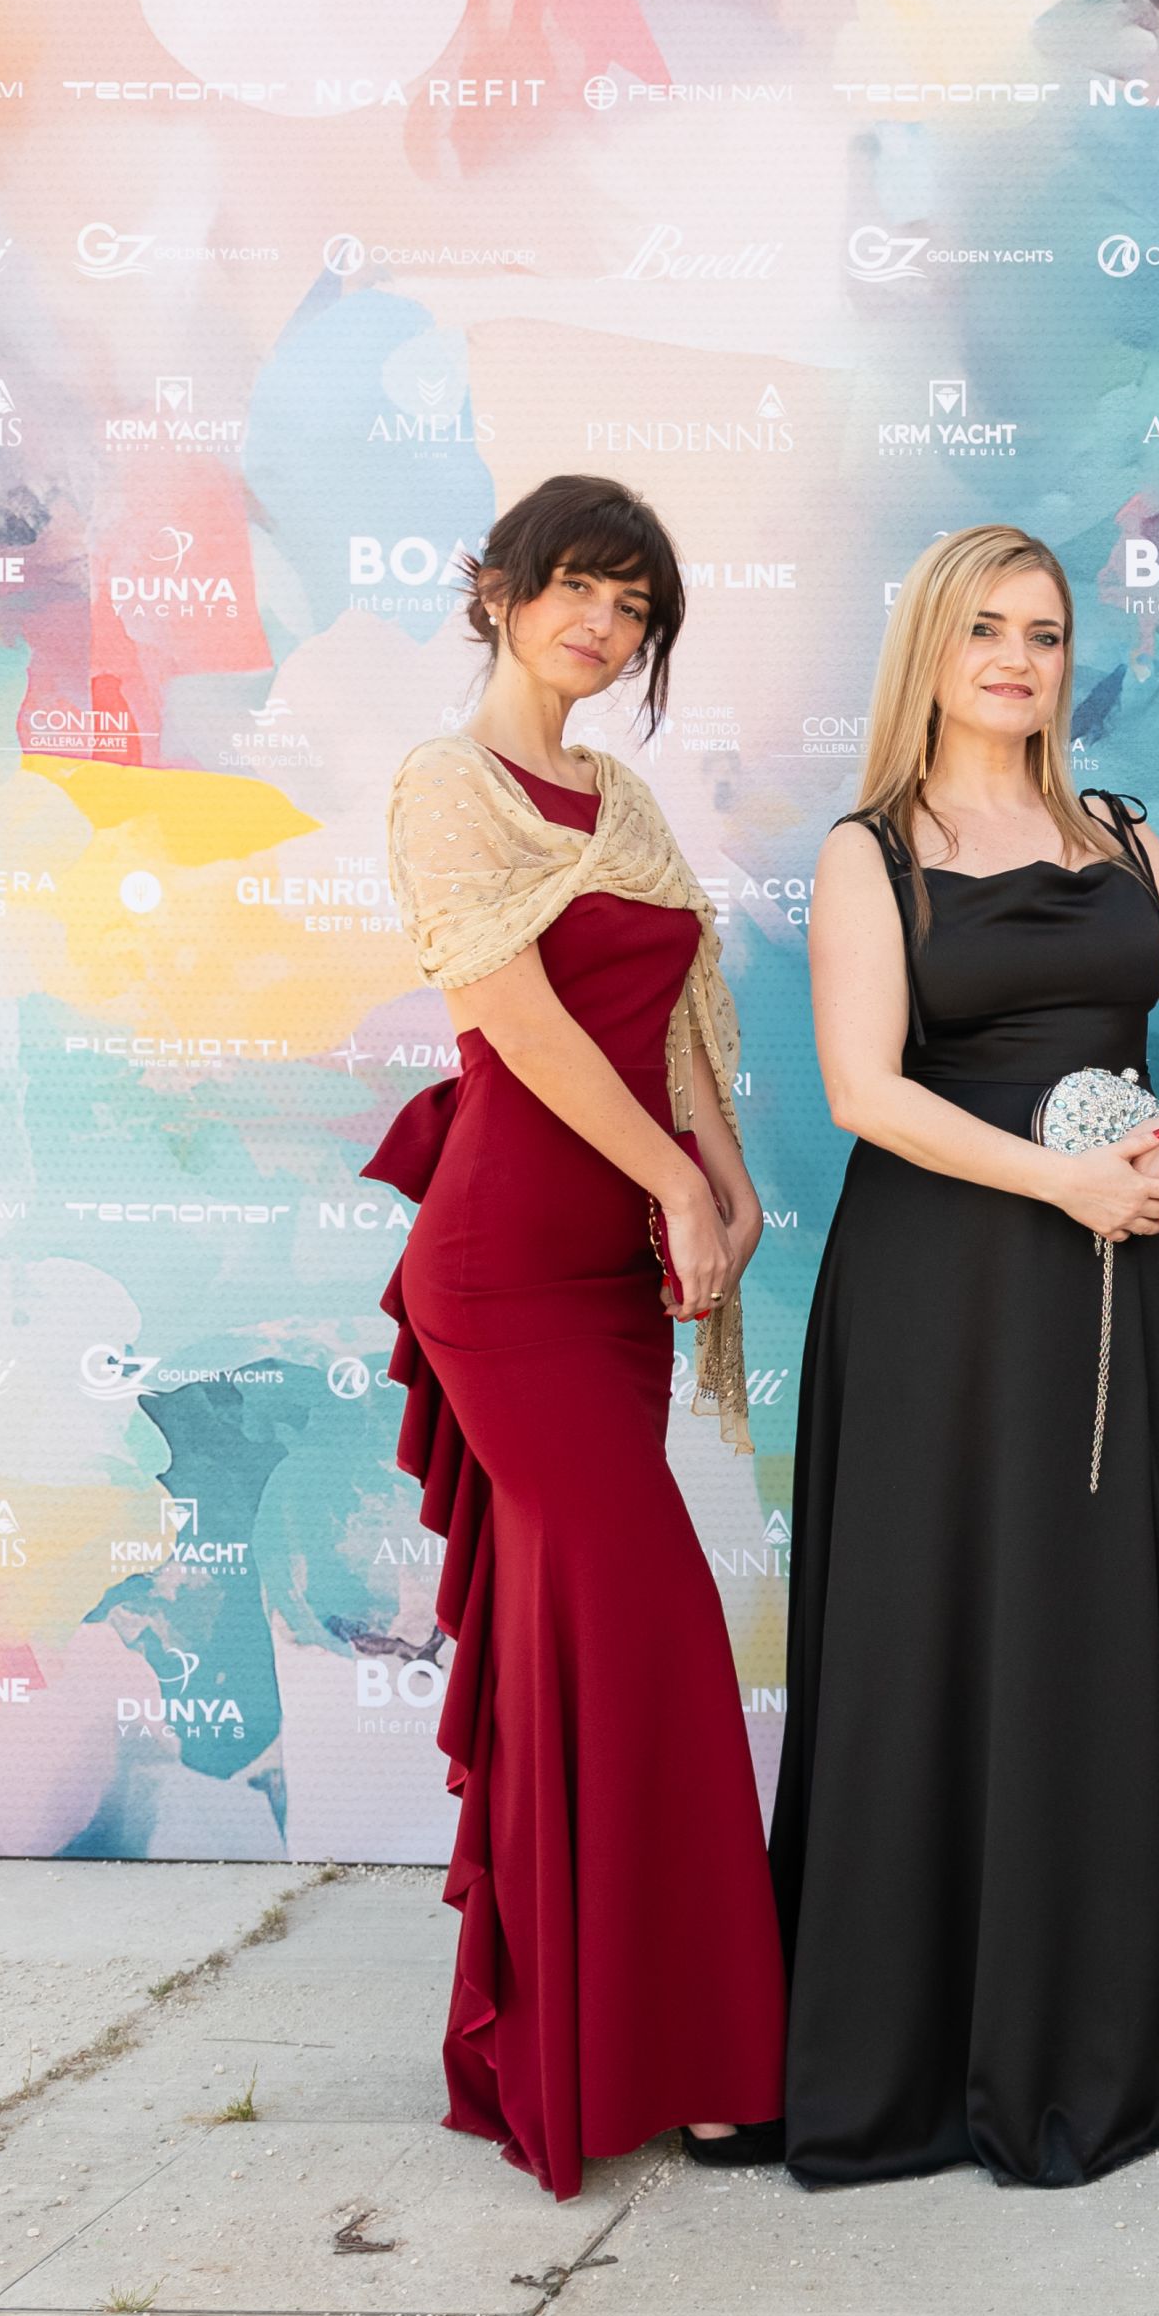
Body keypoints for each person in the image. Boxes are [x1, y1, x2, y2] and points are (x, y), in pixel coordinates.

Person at [768, 524, 1159, 2186]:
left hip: (1125, 1259)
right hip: (949, 1283)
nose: (1017, 659)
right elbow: (863, 1090)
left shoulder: (1121, 831)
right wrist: (1060, 1181)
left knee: (1108, 1623)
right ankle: (972, 2013)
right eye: (986, 629)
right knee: (958, 1621)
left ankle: (1152, 1996)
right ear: (930, 649)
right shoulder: (870, 851)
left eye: (1046, 633)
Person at [365, 474, 785, 2195]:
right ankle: (698, 2050)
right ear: (498, 591)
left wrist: (728, 1189)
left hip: (616, 1283)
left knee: (577, 1657)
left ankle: (599, 2037)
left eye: (635, 610)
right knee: (652, 1622)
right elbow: (517, 1020)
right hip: (503, 1272)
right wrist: (670, 1184)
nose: (604, 628)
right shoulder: (445, 784)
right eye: (579, 591)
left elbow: (677, 1024)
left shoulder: (621, 800)